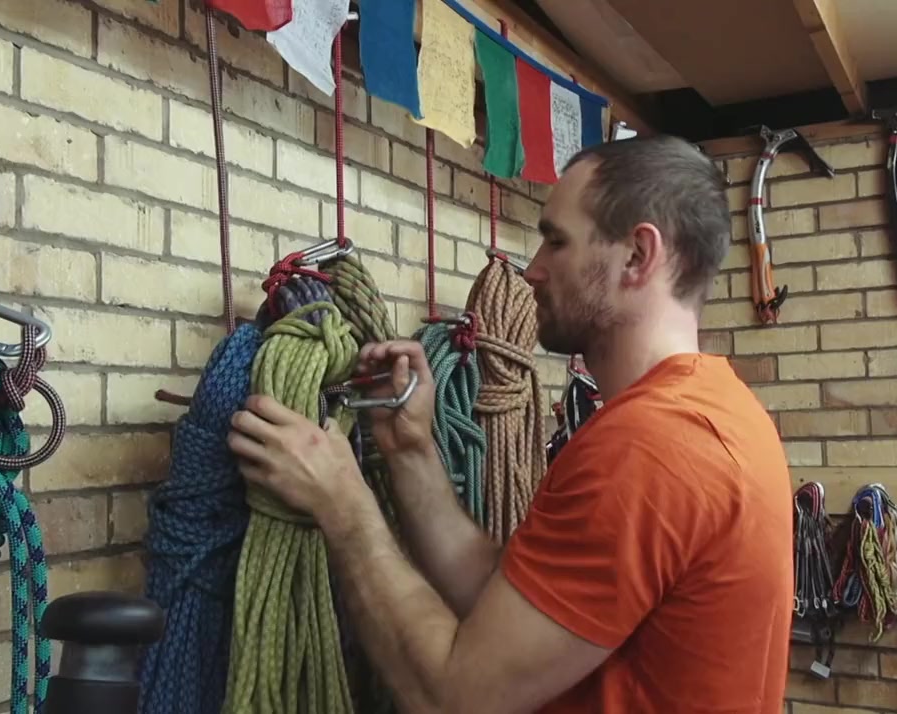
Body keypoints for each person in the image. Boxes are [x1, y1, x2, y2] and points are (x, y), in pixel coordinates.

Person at [226, 134, 794, 713]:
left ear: (637, 256)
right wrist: (411, 449)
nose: (532, 270)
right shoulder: (719, 412)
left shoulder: (651, 449)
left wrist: (342, 505)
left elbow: (455, 697)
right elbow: (502, 601)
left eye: (556, 241)